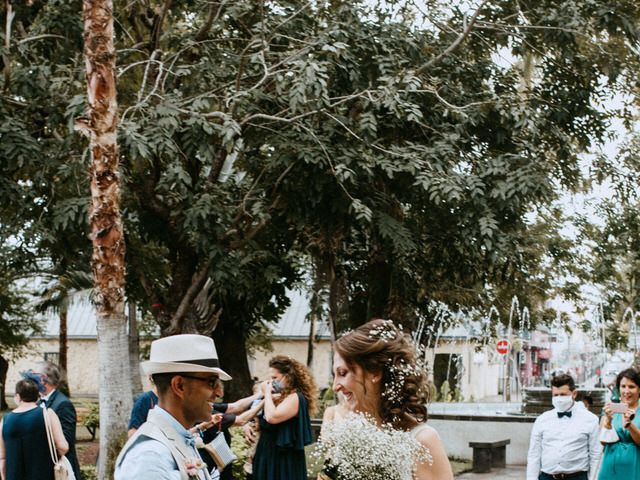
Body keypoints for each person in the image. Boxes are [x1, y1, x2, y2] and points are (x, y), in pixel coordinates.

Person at [330, 319, 453, 480]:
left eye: (343, 373)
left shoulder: (421, 440)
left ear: (374, 372)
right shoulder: (349, 432)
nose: (335, 387)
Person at [115, 334, 231, 480]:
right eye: (212, 382)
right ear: (179, 386)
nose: (219, 392)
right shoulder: (151, 458)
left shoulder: (177, 438)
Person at [251, 355, 317, 480]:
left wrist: (266, 394)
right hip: (266, 453)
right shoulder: (279, 396)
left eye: (275, 378)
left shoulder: (296, 397)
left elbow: (272, 417)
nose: (271, 382)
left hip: (283, 459)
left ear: (288, 376)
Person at [526, 373, 600, 480]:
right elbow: (534, 455)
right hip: (547, 477)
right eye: (555, 395)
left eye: (563, 394)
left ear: (574, 394)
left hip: (577, 477)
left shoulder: (590, 419)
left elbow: (596, 455)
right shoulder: (542, 420)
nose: (559, 398)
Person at [0, 378, 69, 480]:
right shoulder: (48, 414)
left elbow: (2, 458)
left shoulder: (5, 420)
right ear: (37, 397)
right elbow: (63, 447)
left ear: (18, 397)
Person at [31, 361, 81, 480]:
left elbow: (66, 440)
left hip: (61, 469)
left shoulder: (63, 404)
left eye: (35, 377)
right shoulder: (37, 403)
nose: (32, 381)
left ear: (43, 379)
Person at [598, 368, 640, 479]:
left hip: (635, 468)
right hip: (609, 468)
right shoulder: (609, 409)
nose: (626, 391)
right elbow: (602, 442)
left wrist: (630, 425)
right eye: (623, 386)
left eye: (631, 387)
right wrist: (608, 421)